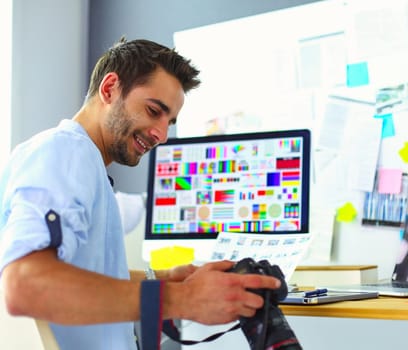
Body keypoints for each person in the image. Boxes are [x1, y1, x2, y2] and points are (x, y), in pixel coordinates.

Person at [0, 37, 281, 349]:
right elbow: (25, 286)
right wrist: (183, 298)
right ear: (109, 89)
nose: (161, 135)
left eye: (169, 122)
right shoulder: (66, 153)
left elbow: (80, 274)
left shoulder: (83, 163)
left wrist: (165, 280)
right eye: (153, 110)